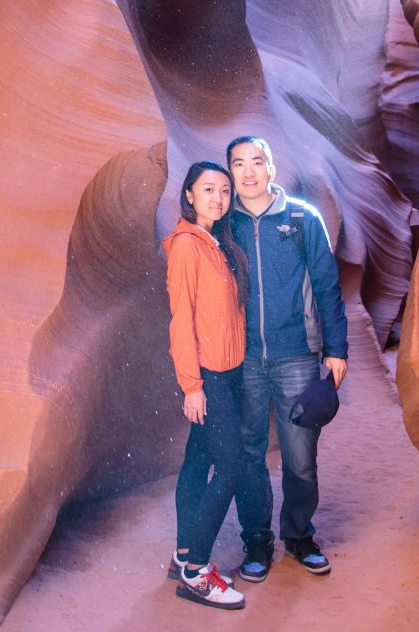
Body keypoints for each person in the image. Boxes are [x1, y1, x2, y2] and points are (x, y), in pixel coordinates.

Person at [227, 135, 348, 581]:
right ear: (231, 173)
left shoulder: (302, 219)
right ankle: (257, 542)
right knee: (250, 454)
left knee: (300, 455)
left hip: (296, 354)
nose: (248, 171)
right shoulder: (226, 224)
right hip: (242, 360)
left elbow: (326, 286)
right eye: (238, 164)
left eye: (257, 162)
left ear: (272, 170)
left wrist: (336, 348)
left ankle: (298, 536)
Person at [163, 161, 250, 610]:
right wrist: (192, 385)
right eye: (208, 189)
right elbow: (181, 322)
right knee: (231, 468)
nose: (218, 198)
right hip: (209, 377)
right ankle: (197, 572)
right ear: (189, 195)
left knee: (197, 463)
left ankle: (182, 555)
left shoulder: (218, 241)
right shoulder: (185, 246)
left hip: (227, 373)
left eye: (224, 190)